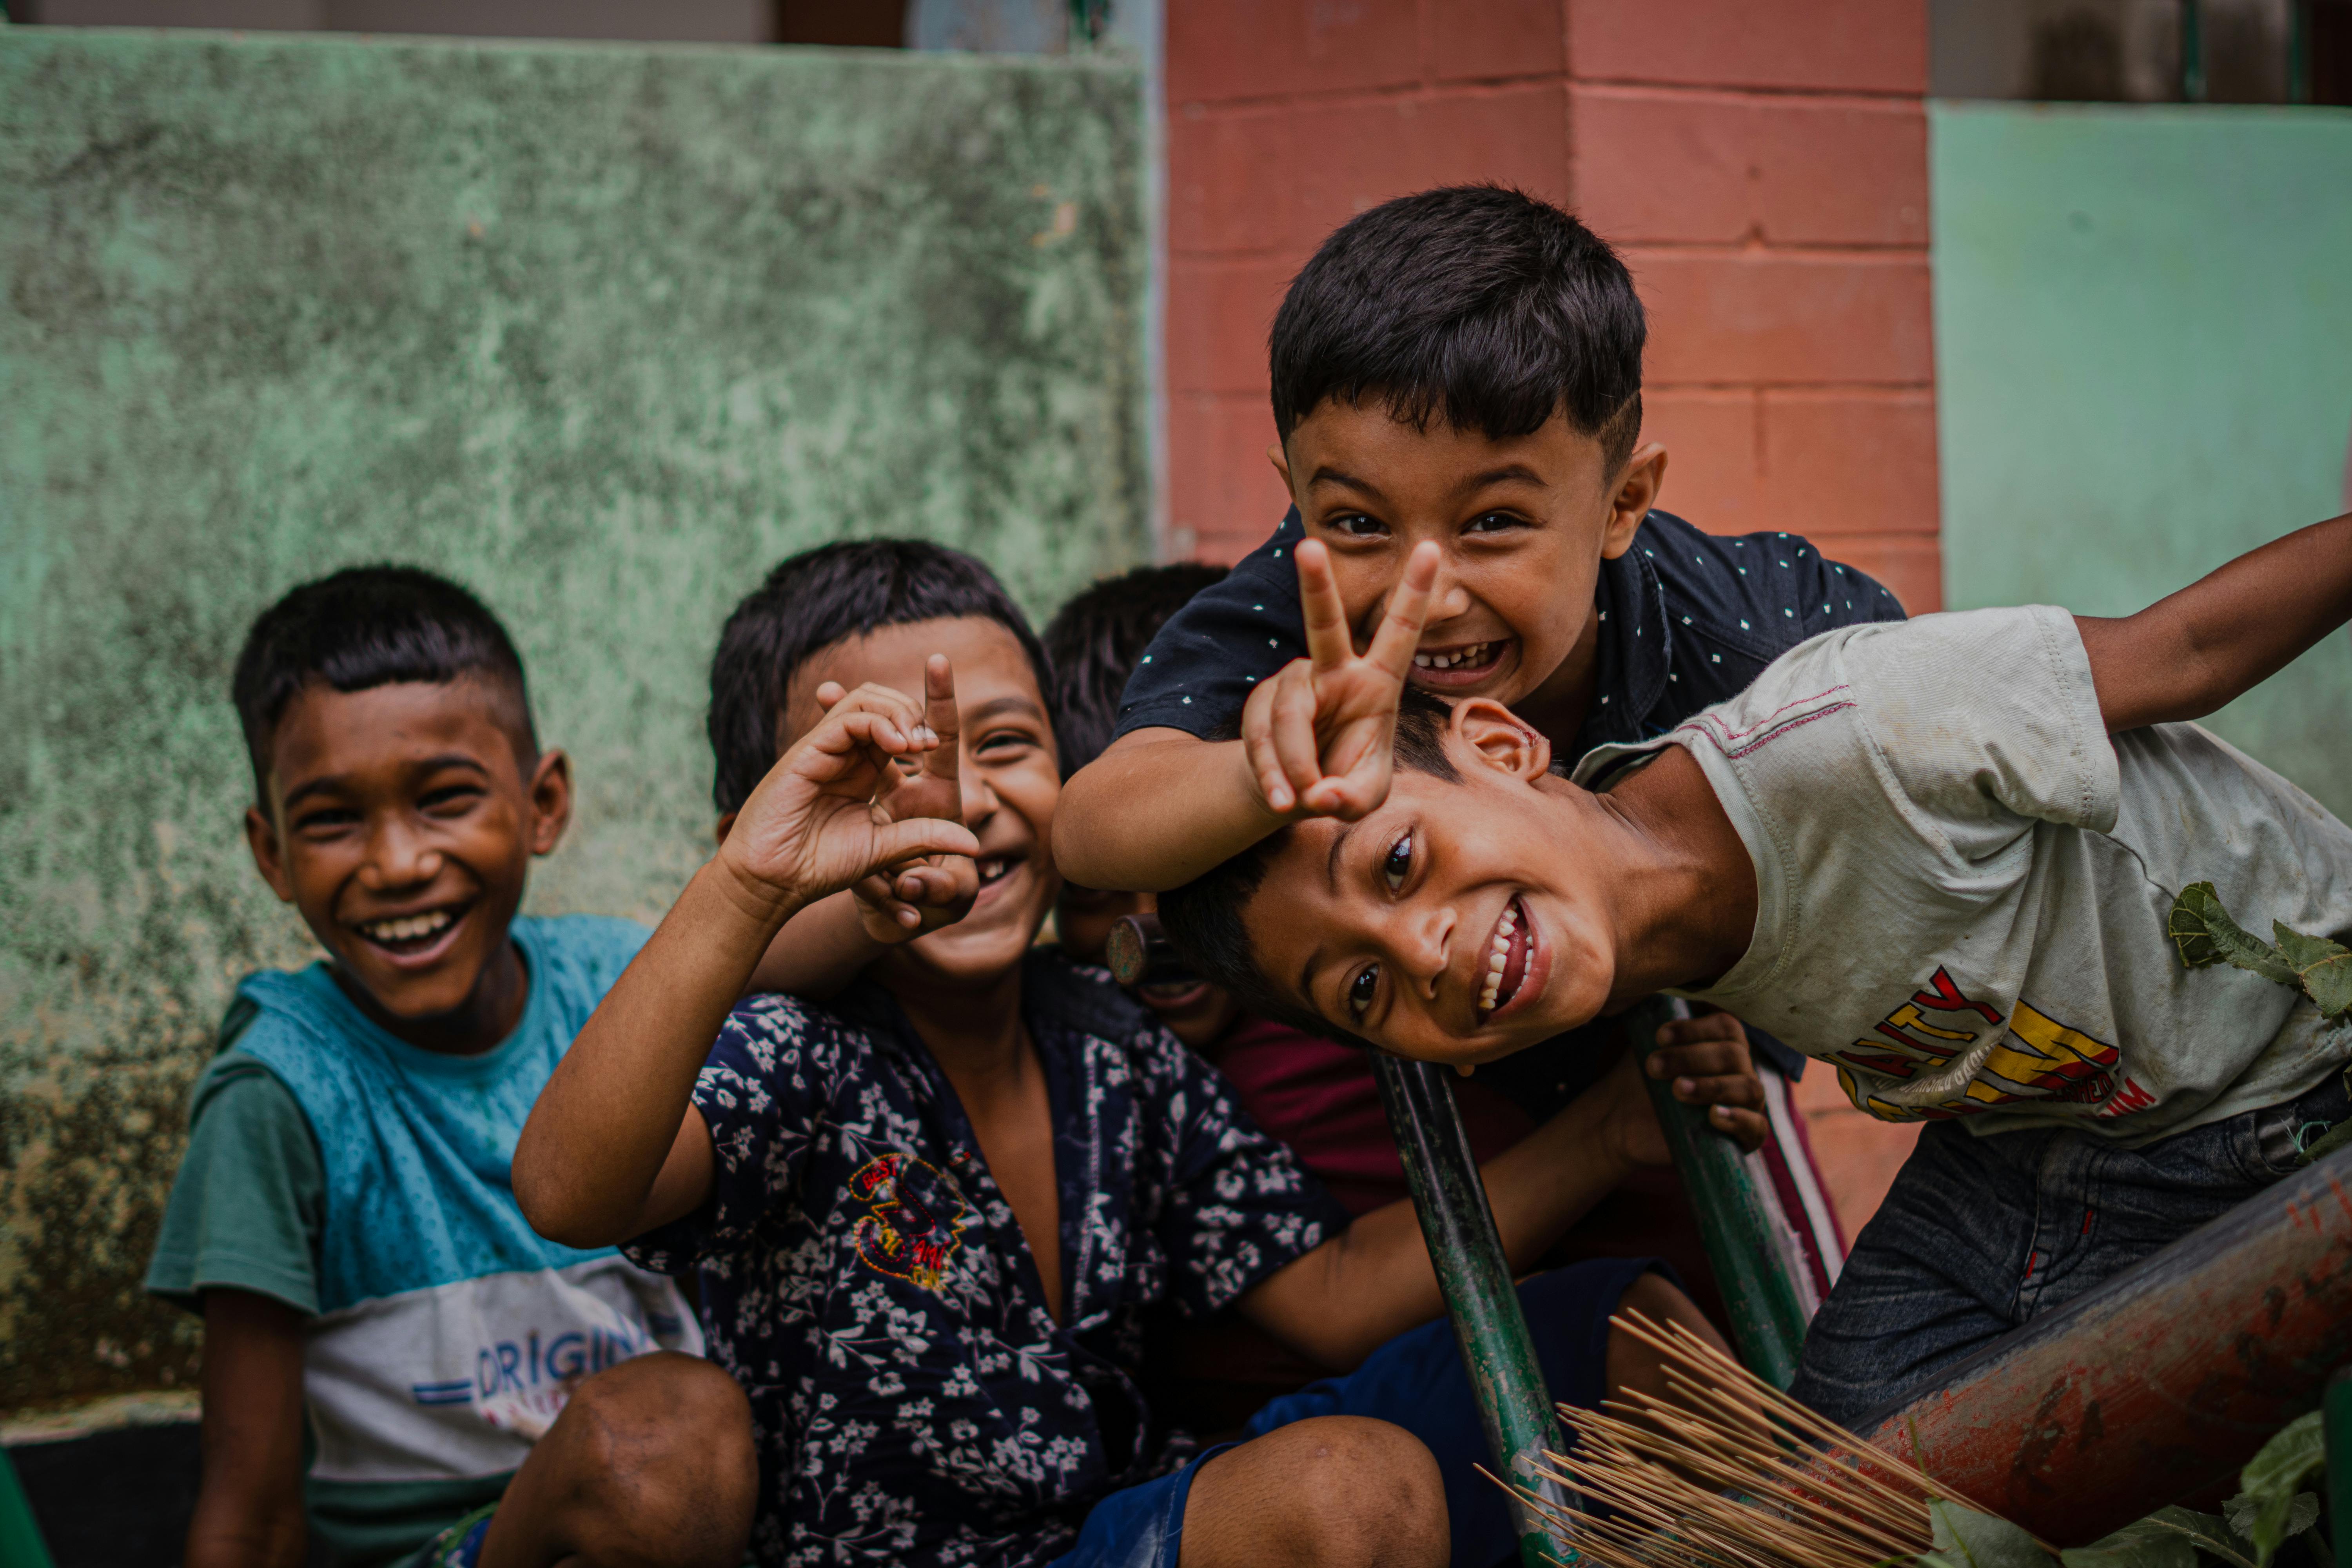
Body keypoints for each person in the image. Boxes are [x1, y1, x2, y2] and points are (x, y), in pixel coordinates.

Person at [512, 539, 1737, 1568]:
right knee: (1346, 1488)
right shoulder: (794, 1050)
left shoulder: (1112, 1044)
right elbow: (573, 1191)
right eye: (883, 775)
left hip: (1100, 1536)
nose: (961, 800)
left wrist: (1613, 1129)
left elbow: (1333, 1295)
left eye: (1003, 747)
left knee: (1605, 1335)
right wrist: (750, 891)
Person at [1156, 509, 2352, 1426]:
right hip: (2049, 1150)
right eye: (1361, 992)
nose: (1418, 953)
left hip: (2300, 1048)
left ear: (1506, 743)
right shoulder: (1635, 945)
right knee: (1853, 1480)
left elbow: (2188, 649)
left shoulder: (1857, 730)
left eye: (1402, 859)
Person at [145, 567, 756, 1568]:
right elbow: (248, 1515)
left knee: (677, 1441)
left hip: (666, 1529)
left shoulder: (625, 994)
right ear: (271, 852)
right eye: (333, 819)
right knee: (656, 1432)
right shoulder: (283, 1090)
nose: (395, 862)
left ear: (543, 803)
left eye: (444, 800)